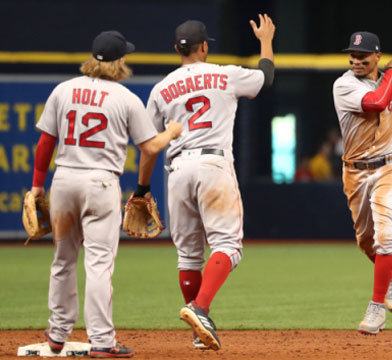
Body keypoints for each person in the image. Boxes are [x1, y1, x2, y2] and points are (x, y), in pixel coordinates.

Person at [32, 31, 182, 358]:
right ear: (120, 61)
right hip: (100, 184)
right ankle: (101, 340)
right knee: (99, 264)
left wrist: (36, 185)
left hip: (65, 180)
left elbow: (45, 144)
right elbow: (150, 147)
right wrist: (171, 131)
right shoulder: (125, 98)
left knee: (63, 260)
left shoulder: (63, 90)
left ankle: (57, 333)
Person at [145, 15, 275, 350]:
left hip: (176, 170)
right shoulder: (225, 73)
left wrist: (142, 188)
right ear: (204, 47)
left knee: (188, 256)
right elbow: (267, 77)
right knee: (228, 246)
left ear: (176, 49)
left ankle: (198, 332)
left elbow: (149, 143)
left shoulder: (161, 88)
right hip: (213, 164)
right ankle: (199, 308)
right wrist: (265, 40)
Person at [332, 31, 392, 335]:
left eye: (363, 56)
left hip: (389, 167)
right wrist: (391, 70)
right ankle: (390, 273)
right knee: (366, 241)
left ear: (376, 55)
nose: (356, 60)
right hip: (356, 172)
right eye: (353, 55)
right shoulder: (343, 84)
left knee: (386, 237)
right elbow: (376, 102)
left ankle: (376, 309)